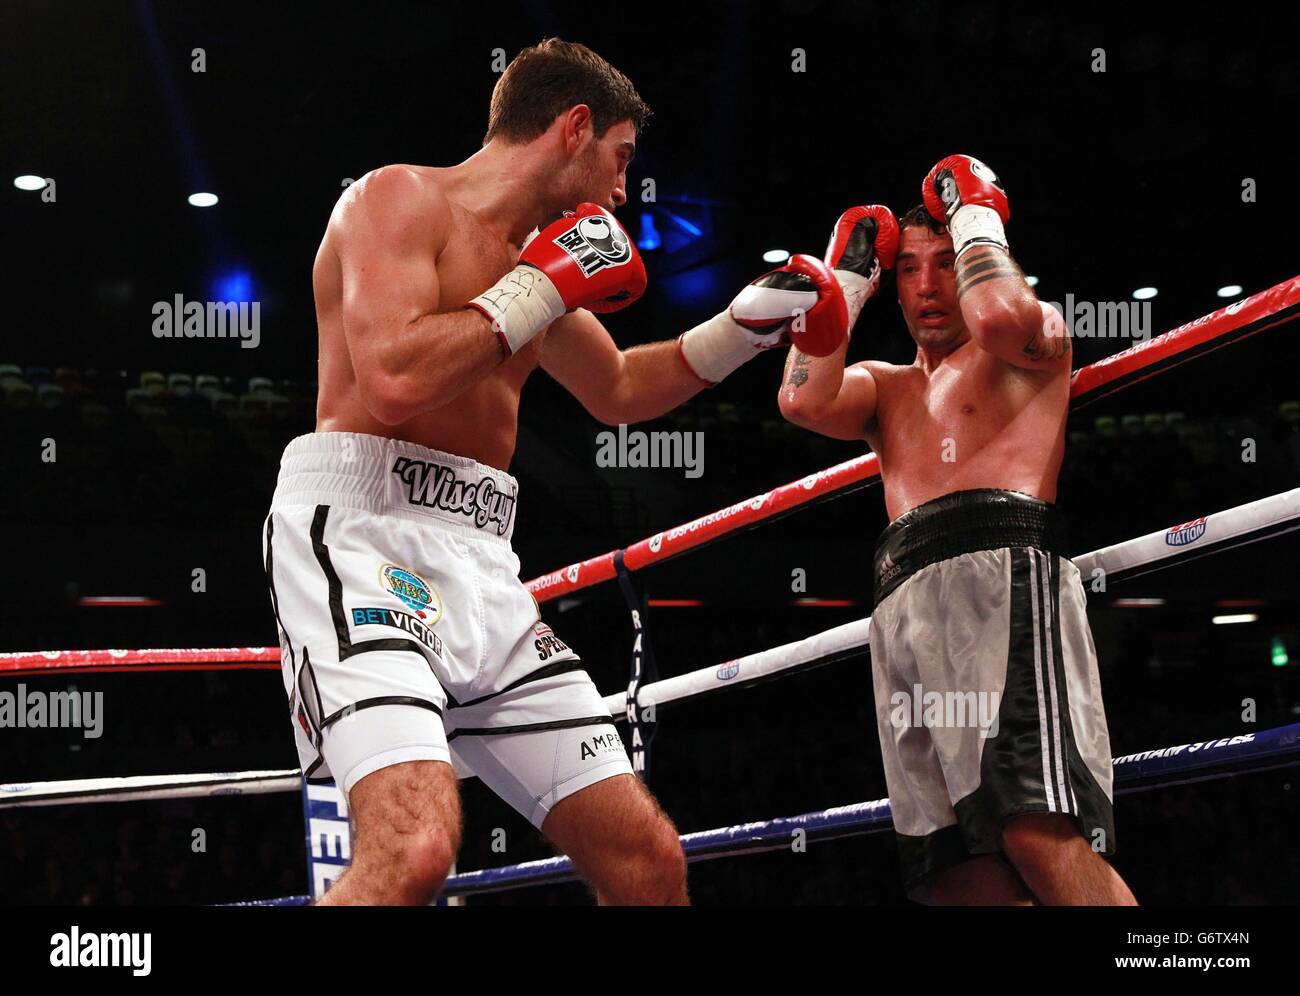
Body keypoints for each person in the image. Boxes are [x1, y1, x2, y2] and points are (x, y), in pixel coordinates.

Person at [262, 37, 845, 905]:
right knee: (414, 852)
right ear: (575, 127)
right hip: (358, 537)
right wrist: (539, 284)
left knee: (648, 862)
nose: (621, 191)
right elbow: (392, 380)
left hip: (482, 563)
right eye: (620, 159)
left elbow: (616, 388)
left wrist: (746, 328)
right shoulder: (395, 199)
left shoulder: (539, 259)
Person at [778, 155, 1136, 905]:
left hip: (999, 579)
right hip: (903, 606)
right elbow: (802, 399)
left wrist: (976, 211)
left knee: (1035, 830)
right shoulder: (886, 385)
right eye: (908, 269)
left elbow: (1000, 313)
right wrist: (845, 277)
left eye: (947, 262)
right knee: (955, 870)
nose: (931, 285)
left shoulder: (1028, 343)